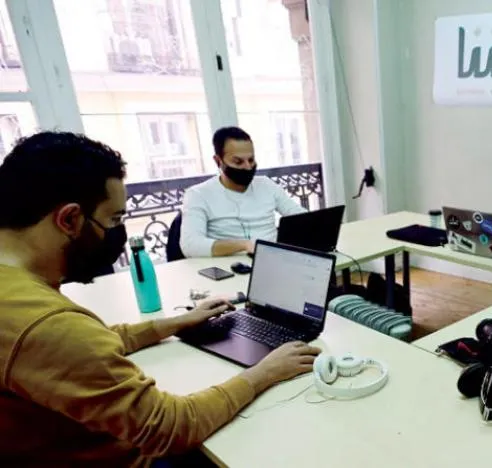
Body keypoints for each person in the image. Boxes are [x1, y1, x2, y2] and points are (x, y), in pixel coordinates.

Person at [0, 132, 321, 466]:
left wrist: (171, 324)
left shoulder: (17, 295)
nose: (118, 233)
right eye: (114, 219)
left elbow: (90, 344)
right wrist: (264, 372)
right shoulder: (46, 325)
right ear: (69, 219)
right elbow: (171, 427)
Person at [180, 126, 306, 258]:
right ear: (218, 161)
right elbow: (190, 245)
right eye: (238, 162)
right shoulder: (198, 194)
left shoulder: (266, 185)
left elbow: (301, 217)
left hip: (273, 260)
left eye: (251, 160)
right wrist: (244, 245)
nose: (248, 167)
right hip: (228, 264)